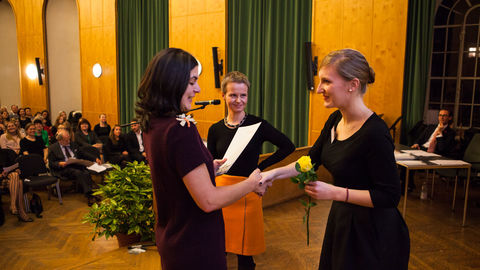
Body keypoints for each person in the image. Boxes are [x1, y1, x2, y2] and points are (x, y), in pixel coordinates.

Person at [261, 49, 410, 269]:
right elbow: (310, 160)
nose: (319, 89)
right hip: (343, 221)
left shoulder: (375, 133)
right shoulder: (334, 119)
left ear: (353, 84)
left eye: (327, 81)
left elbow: (389, 196)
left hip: (373, 234)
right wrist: (272, 173)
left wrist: (334, 192)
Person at [136, 48, 268, 270]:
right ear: (171, 82)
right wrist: (251, 183)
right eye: (191, 82)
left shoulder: (153, 124)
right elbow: (209, 201)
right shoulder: (181, 128)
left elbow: (172, 174)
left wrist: (208, 168)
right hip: (195, 242)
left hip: (172, 238)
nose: (197, 89)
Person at [207, 71, 295, 269]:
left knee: (244, 254)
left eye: (243, 95)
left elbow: (288, 146)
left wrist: (260, 169)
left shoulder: (258, 125)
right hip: (221, 194)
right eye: (233, 95)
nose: (238, 100)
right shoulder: (215, 129)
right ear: (223, 96)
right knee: (219, 247)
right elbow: (210, 162)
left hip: (248, 191)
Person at [48, 129, 98, 206]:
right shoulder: (53, 148)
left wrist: (95, 158)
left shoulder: (73, 144)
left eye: (69, 139)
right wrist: (59, 163)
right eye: (66, 140)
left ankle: (91, 192)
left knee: (86, 172)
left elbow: (83, 153)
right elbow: (51, 164)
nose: (69, 142)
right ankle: (90, 195)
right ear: (60, 140)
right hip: (63, 169)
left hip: (75, 165)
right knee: (78, 172)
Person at [0, 148, 32, 222]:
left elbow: (13, 166)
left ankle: (13, 205)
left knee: (15, 176)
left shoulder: (5, 152)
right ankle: (20, 212)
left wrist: (16, 169)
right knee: (19, 182)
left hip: (7, 178)